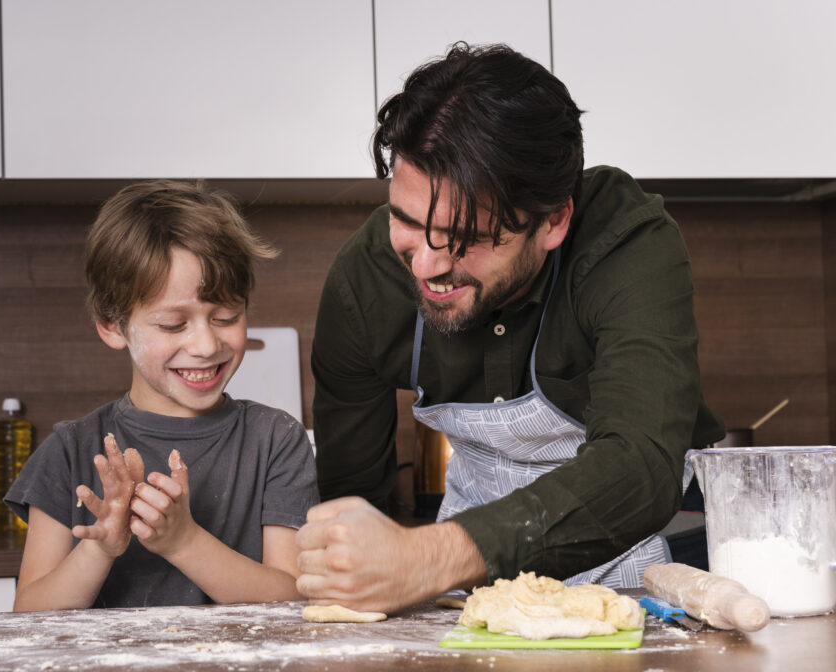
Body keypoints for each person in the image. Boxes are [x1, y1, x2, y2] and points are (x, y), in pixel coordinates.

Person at [295, 43, 725, 614]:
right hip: (466, 586)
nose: (424, 265)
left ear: (553, 221)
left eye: (463, 239)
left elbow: (638, 465)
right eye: (403, 220)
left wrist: (429, 559)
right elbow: (353, 502)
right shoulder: (364, 281)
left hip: (646, 567)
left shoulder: (624, 240)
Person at [6, 180, 318, 610]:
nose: (207, 345)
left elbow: (293, 598)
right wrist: (99, 549)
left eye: (226, 316)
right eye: (173, 324)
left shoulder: (276, 441)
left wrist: (184, 542)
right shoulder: (70, 451)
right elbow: (29, 615)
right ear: (112, 326)